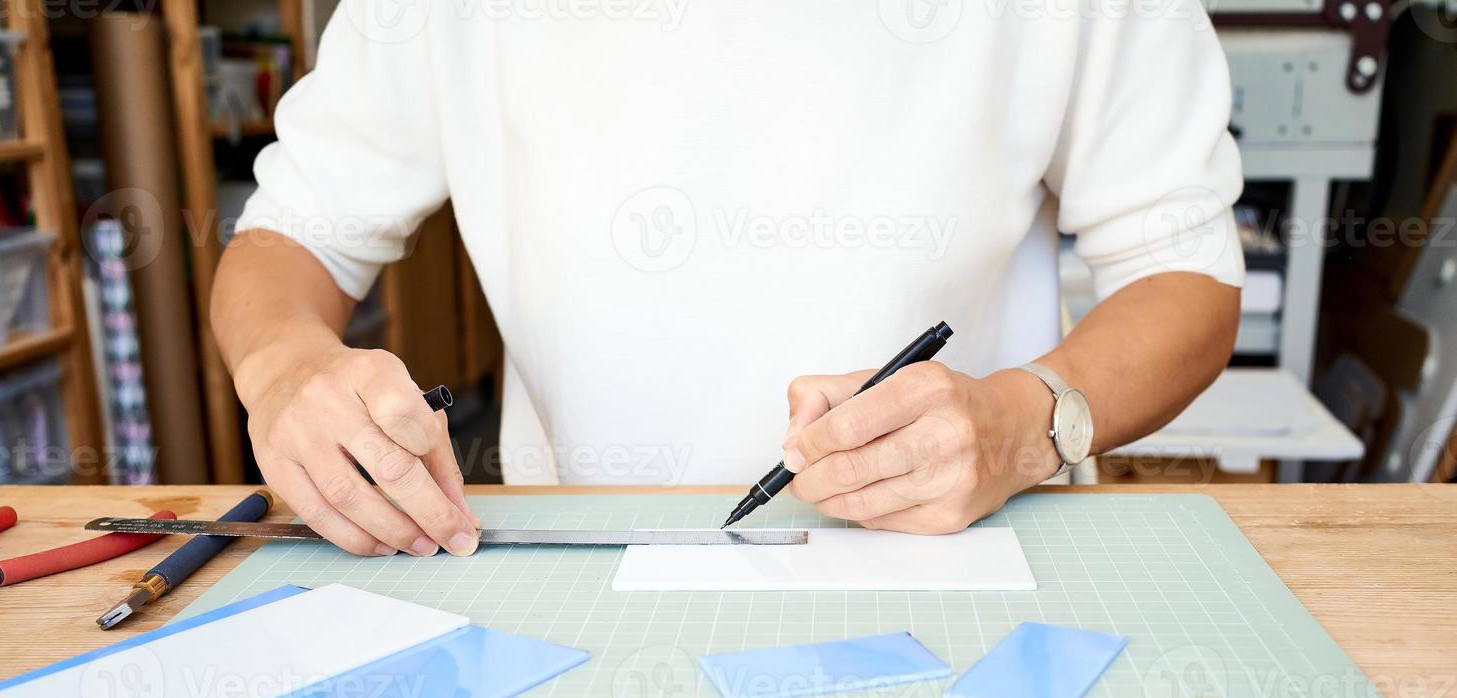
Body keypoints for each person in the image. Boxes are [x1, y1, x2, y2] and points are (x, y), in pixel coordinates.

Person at [211, 0, 1243, 558]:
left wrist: (1022, 423)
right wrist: (285, 368)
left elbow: (1183, 276)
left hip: (972, 559)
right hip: (578, 567)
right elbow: (288, 240)